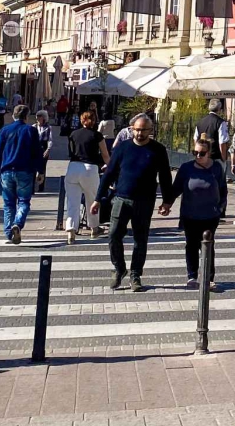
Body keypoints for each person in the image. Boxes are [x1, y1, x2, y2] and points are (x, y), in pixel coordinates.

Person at [92, 114, 173, 291]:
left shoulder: (158, 150)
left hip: (145, 201)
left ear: (150, 131)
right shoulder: (123, 148)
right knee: (113, 235)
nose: (139, 133)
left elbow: (165, 177)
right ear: (131, 129)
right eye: (136, 130)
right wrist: (97, 199)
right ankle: (119, 268)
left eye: (143, 130)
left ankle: (135, 274)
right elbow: (109, 174)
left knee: (140, 239)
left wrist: (167, 202)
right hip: (121, 198)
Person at [164, 136, 227, 290]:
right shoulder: (186, 168)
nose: (198, 156)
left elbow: (223, 190)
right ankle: (192, 276)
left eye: (202, 153)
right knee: (191, 245)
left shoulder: (216, 168)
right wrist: (167, 204)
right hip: (190, 214)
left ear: (209, 153)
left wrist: (220, 209)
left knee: (207, 246)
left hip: (210, 215)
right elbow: (176, 188)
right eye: (195, 152)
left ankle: (208, 278)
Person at [0, 104, 42, 244]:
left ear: (13, 115)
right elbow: (37, 152)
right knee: (24, 201)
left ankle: (9, 233)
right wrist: (40, 171)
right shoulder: (31, 131)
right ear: (26, 116)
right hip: (25, 171)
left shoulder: (5, 130)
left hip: (6, 171)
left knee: (8, 203)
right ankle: (17, 223)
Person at [63, 109, 110, 244]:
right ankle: (94, 227)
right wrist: (110, 167)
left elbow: (71, 151)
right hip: (90, 168)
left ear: (81, 120)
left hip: (73, 167)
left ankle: (71, 229)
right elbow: (105, 154)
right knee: (93, 199)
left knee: (72, 201)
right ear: (94, 121)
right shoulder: (97, 135)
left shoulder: (73, 134)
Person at [194, 99, 230, 166]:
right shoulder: (220, 122)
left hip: (202, 157)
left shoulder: (200, 122)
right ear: (219, 109)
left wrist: (198, 154)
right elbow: (222, 143)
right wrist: (224, 159)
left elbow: (195, 140)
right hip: (215, 158)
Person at [33, 110, 55, 192]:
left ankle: (41, 186)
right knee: (33, 167)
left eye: (40, 116)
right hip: (35, 148)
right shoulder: (33, 127)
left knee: (42, 168)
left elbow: (50, 139)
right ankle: (32, 187)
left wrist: (48, 149)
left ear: (44, 118)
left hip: (43, 147)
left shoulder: (48, 128)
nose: (38, 118)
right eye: (37, 116)